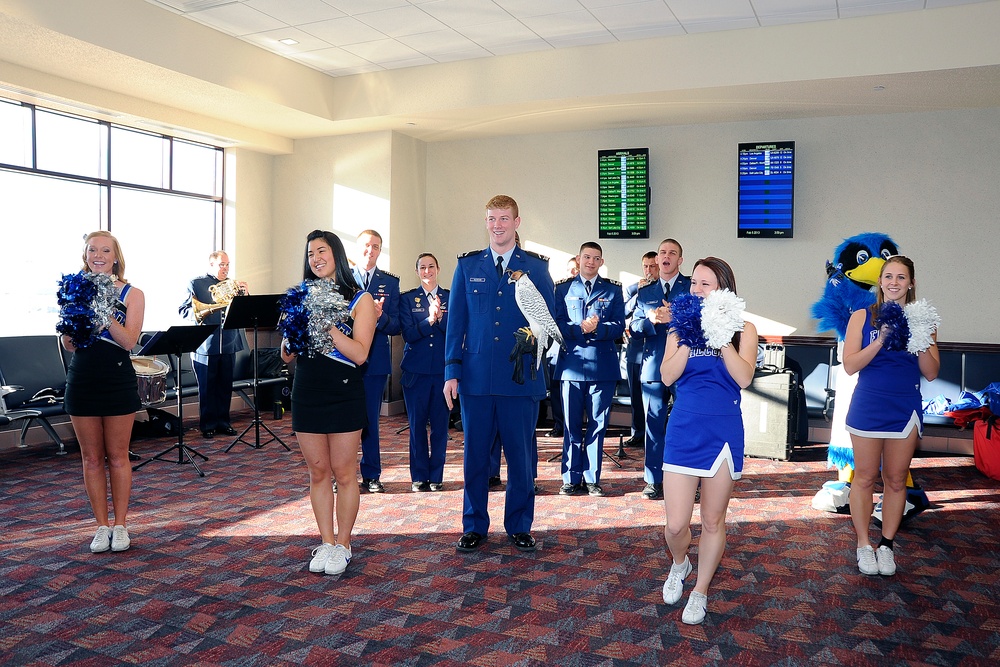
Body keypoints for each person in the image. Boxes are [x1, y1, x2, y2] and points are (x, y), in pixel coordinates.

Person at [444, 194, 555, 553]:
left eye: (505, 219)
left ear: (517, 223)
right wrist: (451, 371)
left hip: (518, 380)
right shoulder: (467, 266)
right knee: (475, 458)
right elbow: (456, 324)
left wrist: (533, 351)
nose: (498, 226)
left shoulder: (536, 269)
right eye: (492, 219)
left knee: (521, 460)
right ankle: (474, 524)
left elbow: (547, 324)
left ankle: (519, 525)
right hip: (475, 380)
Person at [659, 257, 758, 625]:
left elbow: (744, 377)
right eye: (694, 283)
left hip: (723, 433)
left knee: (713, 520)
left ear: (724, 289)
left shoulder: (744, 328)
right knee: (675, 525)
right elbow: (667, 377)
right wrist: (689, 337)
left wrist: (720, 339)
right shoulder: (677, 328)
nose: (697, 290)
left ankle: (700, 591)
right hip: (684, 429)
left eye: (706, 284)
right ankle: (680, 563)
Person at [280, 230, 376, 576]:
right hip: (306, 391)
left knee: (345, 473)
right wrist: (293, 331)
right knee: (318, 472)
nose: (315, 258)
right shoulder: (300, 296)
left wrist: (329, 327)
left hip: (344, 392)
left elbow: (361, 354)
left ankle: (344, 544)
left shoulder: (359, 299)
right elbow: (287, 355)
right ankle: (326, 541)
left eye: (321, 251)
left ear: (335, 253)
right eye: (310, 254)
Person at [843, 254, 939, 577]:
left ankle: (886, 545)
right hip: (868, 405)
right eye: (888, 276)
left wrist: (921, 336)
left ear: (911, 283)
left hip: (904, 408)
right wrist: (881, 339)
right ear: (880, 281)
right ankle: (862, 544)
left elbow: (932, 373)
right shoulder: (861, 317)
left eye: (901, 277)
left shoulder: (923, 319)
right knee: (865, 477)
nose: (894, 283)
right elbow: (850, 365)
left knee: (896, 479)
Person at [62, 231, 145, 554]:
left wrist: (104, 310)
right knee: (91, 458)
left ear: (115, 257)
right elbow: (69, 344)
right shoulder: (74, 292)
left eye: (105, 250)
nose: (98, 255)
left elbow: (128, 341)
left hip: (117, 378)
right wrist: (78, 314)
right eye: (92, 250)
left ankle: (121, 525)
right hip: (82, 377)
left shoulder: (133, 293)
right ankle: (101, 526)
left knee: (118, 456)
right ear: (86, 256)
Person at [553, 242, 625, 497]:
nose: (591, 262)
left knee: (598, 424)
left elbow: (619, 327)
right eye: (586, 257)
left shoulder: (613, 290)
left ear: (601, 262)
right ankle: (570, 478)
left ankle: (592, 477)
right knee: (571, 426)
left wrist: (598, 328)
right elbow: (557, 324)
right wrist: (579, 329)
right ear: (579, 259)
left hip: (602, 367)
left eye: (596, 258)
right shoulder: (562, 288)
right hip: (571, 366)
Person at [629, 239, 691, 499]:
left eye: (672, 253)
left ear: (680, 260)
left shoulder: (691, 287)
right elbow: (633, 327)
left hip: (686, 368)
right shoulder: (645, 292)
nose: (665, 257)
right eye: (662, 252)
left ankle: (690, 480)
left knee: (687, 425)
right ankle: (653, 480)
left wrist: (675, 317)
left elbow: (704, 322)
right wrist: (651, 320)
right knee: (653, 427)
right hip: (653, 368)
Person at [179, 251, 248, 439]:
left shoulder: (233, 286)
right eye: (221, 265)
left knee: (225, 386)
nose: (225, 268)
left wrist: (245, 295)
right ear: (211, 265)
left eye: (227, 265)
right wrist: (202, 313)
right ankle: (208, 424)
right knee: (207, 387)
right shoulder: (196, 283)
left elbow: (243, 313)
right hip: (205, 345)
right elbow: (183, 310)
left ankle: (223, 422)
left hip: (229, 342)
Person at [352, 230, 401, 494]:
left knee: (370, 420)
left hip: (375, 364)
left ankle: (371, 475)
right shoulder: (343, 279)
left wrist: (380, 317)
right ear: (357, 247)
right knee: (344, 422)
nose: (370, 251)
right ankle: (343, 475)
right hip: (345, 361)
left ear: (380, 251)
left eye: (376, 247)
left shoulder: (390, 283)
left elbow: (396, 326)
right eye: (366, 245)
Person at [399, 253, 450, 492]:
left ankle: (437, 476)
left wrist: (440, 320)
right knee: (417, 426)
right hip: (415, 373)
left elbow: (456, 333)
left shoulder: (450, 297)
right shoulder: (408, 299)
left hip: (442, 373)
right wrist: (428, 321)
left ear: (438, 269)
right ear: (417, 271)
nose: (427, 271)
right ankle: (419, 476)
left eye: (431, 266)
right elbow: (408, 334)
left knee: (440, 427)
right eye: (422, 267)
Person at [623, 251, 658, 448]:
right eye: (645, 266)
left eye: (652, 266)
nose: (648, 270)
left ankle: (654, 434)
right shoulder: (639, 290)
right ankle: (637, 432)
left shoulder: (660, 291)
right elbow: (623, 311)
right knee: (635, 395)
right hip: (636, 353)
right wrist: (636, 288)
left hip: (655, 353)